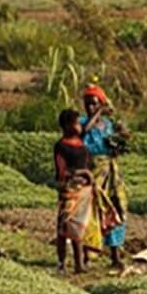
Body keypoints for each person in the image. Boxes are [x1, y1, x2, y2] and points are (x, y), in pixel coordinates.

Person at [81, 84, 131, 269]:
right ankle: (86, 256)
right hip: (92, 172)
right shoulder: (82, 122)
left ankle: (115, 255)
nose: (90, 108)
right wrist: (98, 113)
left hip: (109, 172)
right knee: (91, 212)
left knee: (115, 210)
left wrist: (121, 137)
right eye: (88, 104)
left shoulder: (108, 125)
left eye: (94, 104)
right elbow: (84, 131)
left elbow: (117, 141)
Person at [54, 109, 95, 274]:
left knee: (80, 227)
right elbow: (61, 172)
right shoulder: (61, 146)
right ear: (67, 126)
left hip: (84, 190)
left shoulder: (80, 142)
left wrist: (99, 111)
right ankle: (62, 263)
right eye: (77, 123)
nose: (80, 125)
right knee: (65, 228)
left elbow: (88, 127)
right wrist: (82, 173)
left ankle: (81, 263)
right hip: (70, 190)